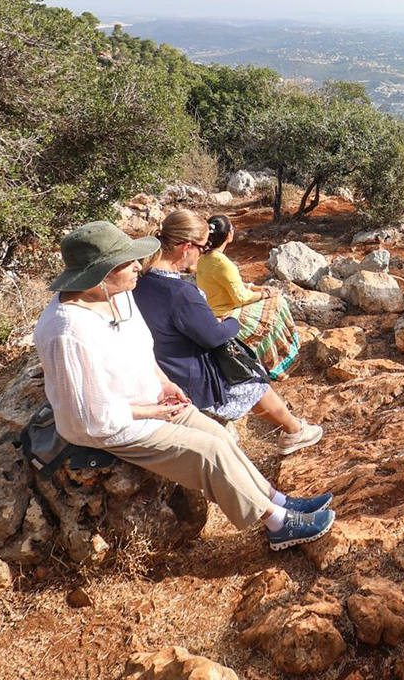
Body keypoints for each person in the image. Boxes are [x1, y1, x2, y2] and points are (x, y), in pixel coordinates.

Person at [33, 221, 334, 550]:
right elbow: (91, 416)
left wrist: (164, 384)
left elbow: (142, 348)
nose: (138, 265)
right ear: (101, 273)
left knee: (218, 435)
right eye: (127, 261)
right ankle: (277, 523)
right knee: (210, 452)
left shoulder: (119, 294)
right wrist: (154, 411)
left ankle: (276, 499)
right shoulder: (68, 331)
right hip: (116, 424)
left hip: (150, 402)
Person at [133, 211, 323, 456]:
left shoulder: (140, 279)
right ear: (186, 247)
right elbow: (214, 337)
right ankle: (294, 431)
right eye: (202, 248)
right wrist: (231, 322)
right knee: (250, 375)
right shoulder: (180, 292)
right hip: (186, 376)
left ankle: (293, 429)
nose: (202, 254)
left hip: (159, 363)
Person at [196, 215, 300, 380]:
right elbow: (240, 297)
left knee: (271, 300)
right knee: (277, 303)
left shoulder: (204, 258)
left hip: (212, 311)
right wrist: (264, 294)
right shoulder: (222, 262)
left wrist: (257, 288)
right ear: (228, 235)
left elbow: (232, 284)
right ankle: (277, 363)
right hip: (226, 314)